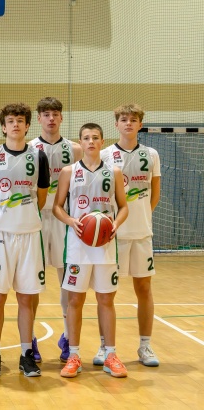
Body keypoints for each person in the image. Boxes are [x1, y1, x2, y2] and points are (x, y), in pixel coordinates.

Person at [0, 102, 50, 378]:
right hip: (0, 236)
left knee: (25, 298)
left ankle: (26, 354)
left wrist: (23, 217)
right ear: (3, 126)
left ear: (28, 125)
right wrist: (1, 220)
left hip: (30, 235)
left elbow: (41, 198)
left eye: (20, 120)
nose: (16, 124)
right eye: (11, 121)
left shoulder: (39, 157)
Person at [53, 122, 129, 378]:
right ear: (81, 142)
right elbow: (57, 206)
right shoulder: (69, 171)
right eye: (86, 138)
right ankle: (73, 355)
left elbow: (123, 206)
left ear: (102, 141)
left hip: (106, 245)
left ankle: (110, 355)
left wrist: (116, 224)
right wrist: (70, 221)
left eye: (95, 138)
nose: (91, 142)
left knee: (106, 300)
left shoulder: (114, 171)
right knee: (75, 300)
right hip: (77, 246)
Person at [100, 104, 161, 367]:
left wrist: (142, 216)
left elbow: (155, 193)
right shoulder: (105, 155)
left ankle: (145, 346)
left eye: (133, 120)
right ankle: (105, 347)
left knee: (144, 289)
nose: (128, 123)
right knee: (106, 293)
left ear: (140, 125)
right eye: (123, 119)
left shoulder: (152, 154)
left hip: (142, 233)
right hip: (113, 234)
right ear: (116, 124)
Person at [28, 97, 82, 363]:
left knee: (67, 281)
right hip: (35, 219)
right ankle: (30, 339)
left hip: (64, 219)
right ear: (38, 118)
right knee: (31, 283)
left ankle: (68, 337)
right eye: (46, 114)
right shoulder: (28, 148)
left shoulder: (75, 150)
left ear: (61, 117)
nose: (51, 118)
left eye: (55, 114)